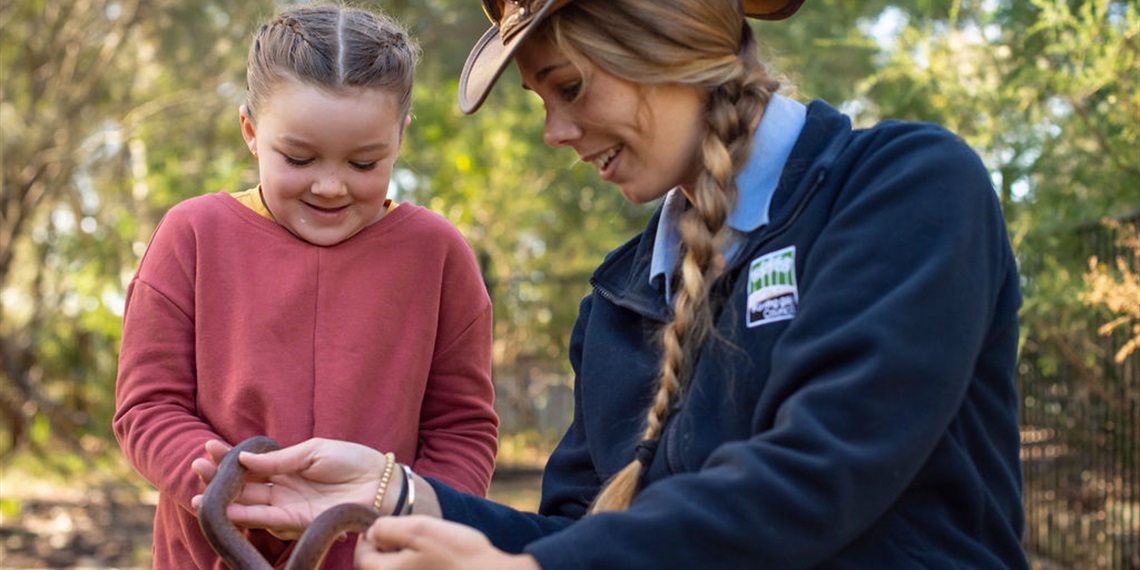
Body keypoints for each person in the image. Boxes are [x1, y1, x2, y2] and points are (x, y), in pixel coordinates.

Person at [192, 0, 1029, 568]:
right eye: (541, 100)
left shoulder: (903, 189)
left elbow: (822, 473)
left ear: (659, 40)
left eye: (570, 86)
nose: (556, 132)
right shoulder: (621, 300)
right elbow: (575, 536)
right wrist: (392, 489)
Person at [113, 4, 500, 569]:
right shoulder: (192, 235)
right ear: (250, 131)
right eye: (298, 157)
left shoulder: (438, 255)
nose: (329, 185)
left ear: (400, 137)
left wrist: (417, 515)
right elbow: (147, 405)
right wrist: (227, 484)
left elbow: (461, 427)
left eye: (365, 164)